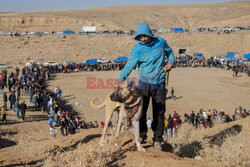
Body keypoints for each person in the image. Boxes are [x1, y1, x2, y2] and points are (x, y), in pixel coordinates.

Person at [118, 23, 175, 151]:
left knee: (159, 112)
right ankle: (142, 135)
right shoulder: (137, 49)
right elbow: (129, 65)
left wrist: (171, 62)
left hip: (159, 82)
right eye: (140, 37)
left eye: (144, 36)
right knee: (141, 111)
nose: (142, 39)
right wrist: (121, 79)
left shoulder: (161, 42)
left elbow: (170, 52)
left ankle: (157, 139)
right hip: (143, 83)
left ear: (150, 34)